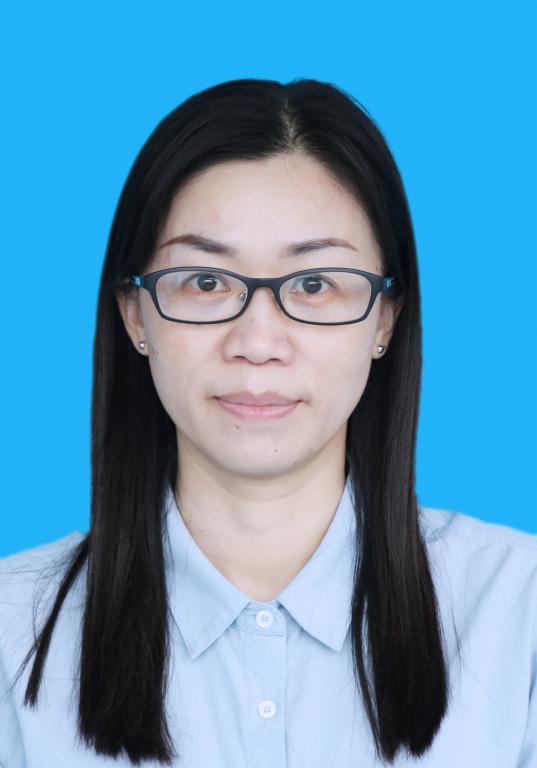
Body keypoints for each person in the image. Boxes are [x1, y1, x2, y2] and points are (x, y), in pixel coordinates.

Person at [0, 77, 535, 768]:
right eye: (205, 281)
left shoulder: (519, 616)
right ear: (135, 316)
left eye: (313, 284)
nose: (257, 342)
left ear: (384, 320)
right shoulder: (13, 632)